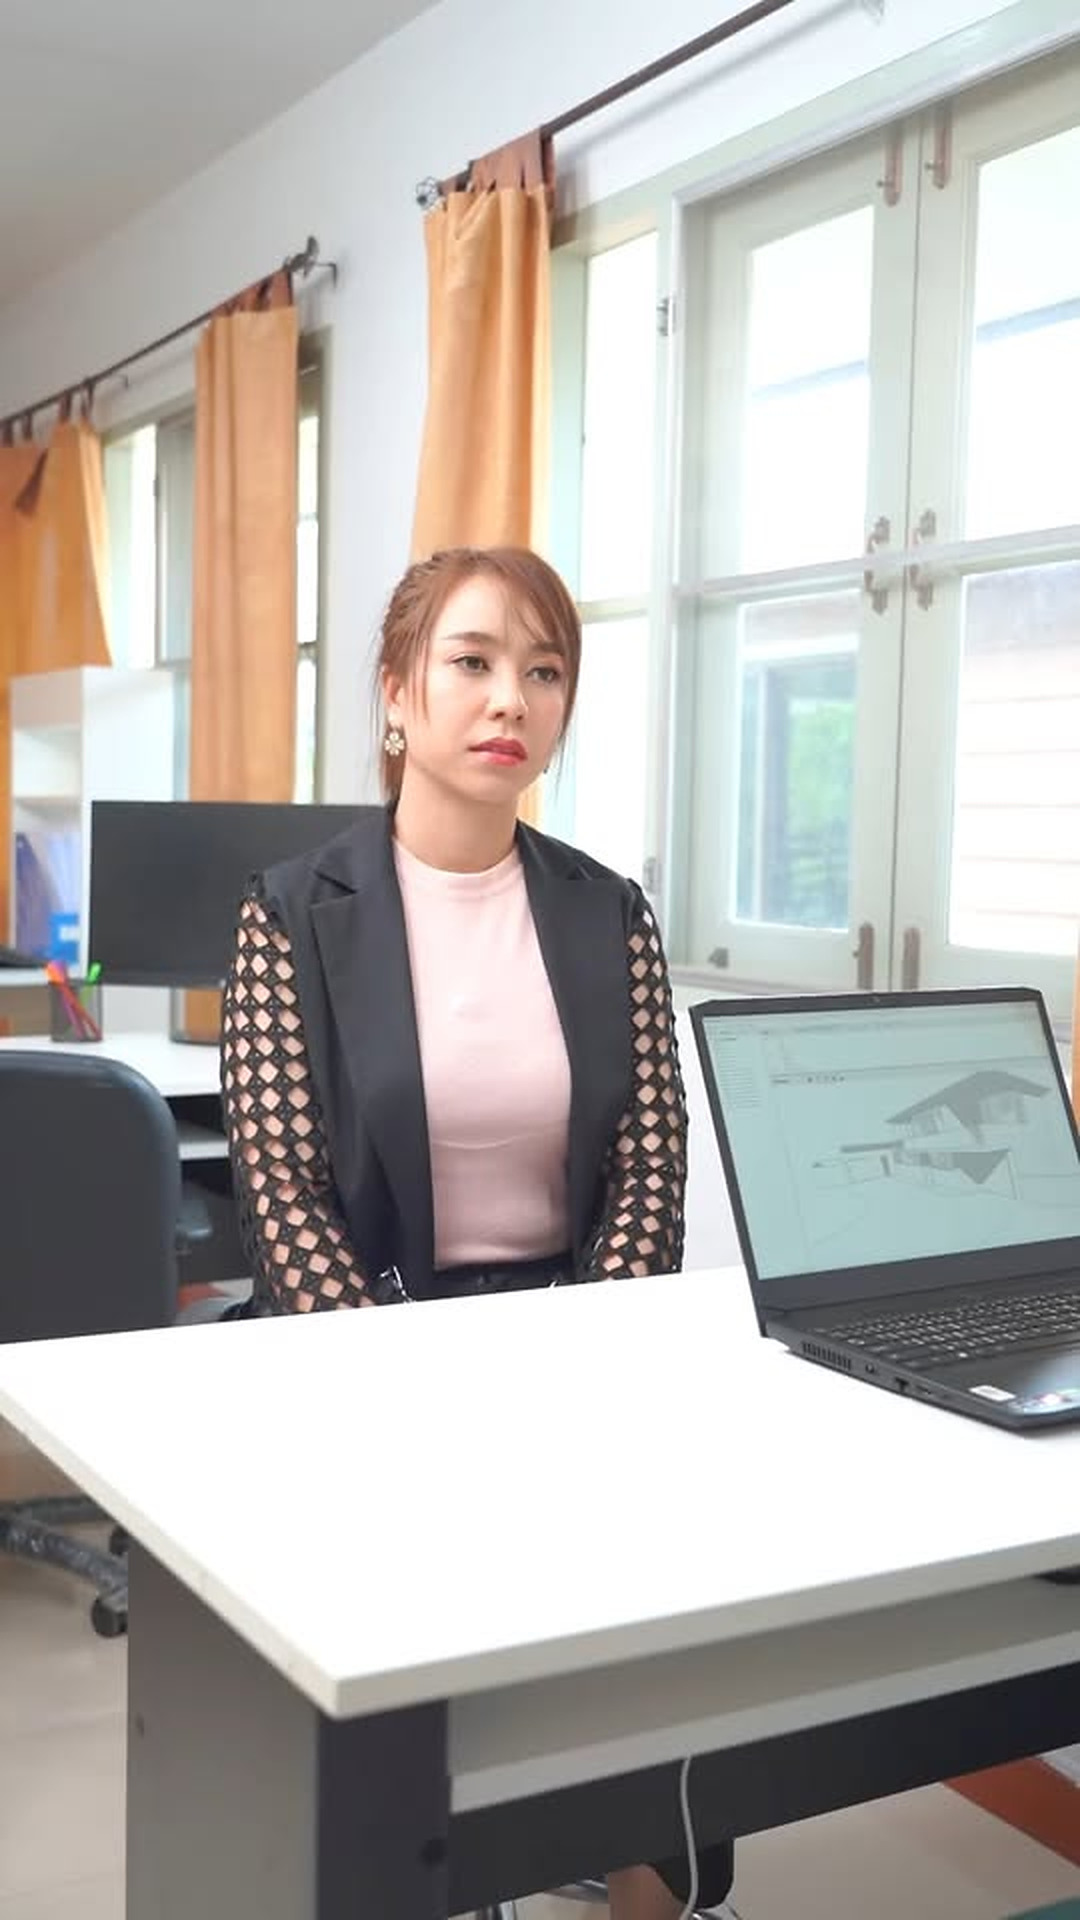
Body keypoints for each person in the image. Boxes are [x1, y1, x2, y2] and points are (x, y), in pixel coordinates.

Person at [220, 545, 734, 1920]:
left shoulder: (606, 911)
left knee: (648, 1606)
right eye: (474, 661)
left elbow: (648, 1173)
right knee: (414, 1654)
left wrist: (583, 1365)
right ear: (397, 694)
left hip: (574, 1343)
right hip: (366, 1353)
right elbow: (285, 1205)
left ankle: (651, 1869)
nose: (513, 697)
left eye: (545, 670)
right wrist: (420, 1396)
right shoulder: (291, 912)